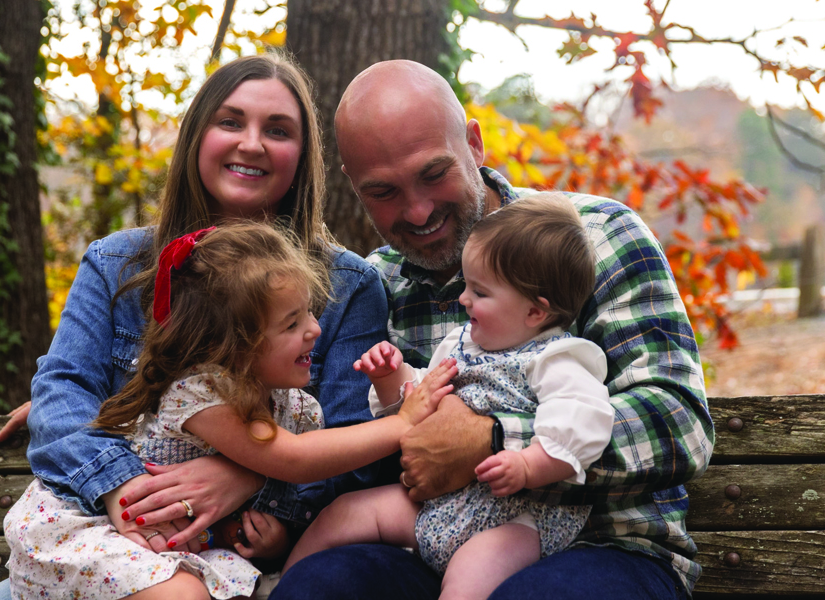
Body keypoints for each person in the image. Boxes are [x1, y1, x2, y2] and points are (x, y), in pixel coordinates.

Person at [270, 60, 714, 600]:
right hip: (433, 542)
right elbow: (347, 439)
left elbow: (678, 423)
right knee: (321, 586)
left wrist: (496, 440)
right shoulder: (373, 284)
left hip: (607, 547)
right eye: (383, 191)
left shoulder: (595, 236)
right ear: (355, 187)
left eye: (434, 174)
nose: (417, 210)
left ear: (474, 144)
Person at [0, 53, 389, 600]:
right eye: (230, 121)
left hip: (227, 557)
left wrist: (249, 474)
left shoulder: (349, 284)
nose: (252, 143)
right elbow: (63, 393)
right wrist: (125, 490)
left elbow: (345, 446)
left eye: (278, 130)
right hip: (103, 536)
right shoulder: (119, 262)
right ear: (198, 135)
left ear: (302, 156)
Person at [4, 222, 453, 599]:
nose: (315, 331)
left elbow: (281, 484)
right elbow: (294, 460)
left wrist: (267, 531)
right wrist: (403, 422)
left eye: (309, 314)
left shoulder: (291, 403)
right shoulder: (203, 395)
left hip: (183, 546)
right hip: (96, 530)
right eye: (291, 323)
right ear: (234, 347)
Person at [283, 197, 615, 600]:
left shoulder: (556, 359)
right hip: (439, 506)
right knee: (344, 513)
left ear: (535, 312)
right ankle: (279, 584)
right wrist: (393, 376)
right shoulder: (462, 344)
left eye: (480, 292)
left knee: (468, 582)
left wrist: (528, 465)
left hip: (512, 518)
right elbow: (418, 401)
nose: (463, 300)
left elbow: (584, 418)